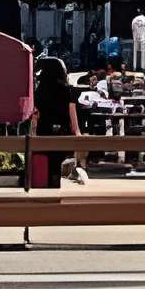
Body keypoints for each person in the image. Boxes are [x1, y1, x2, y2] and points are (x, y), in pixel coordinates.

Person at [31, 44, 85, 186]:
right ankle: (55, 186)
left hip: (44, 132)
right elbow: (73, 117)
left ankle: (48, 188)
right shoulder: (68, 92)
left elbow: (35, 116)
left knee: (47, 165)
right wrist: (77, 134)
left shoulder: (38, 92)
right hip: (62, 133)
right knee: (57, 165)